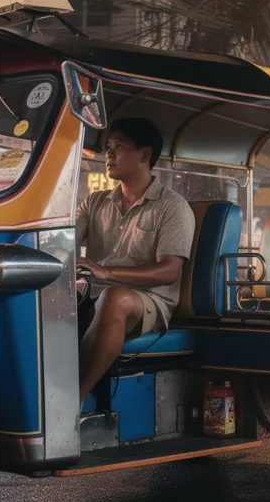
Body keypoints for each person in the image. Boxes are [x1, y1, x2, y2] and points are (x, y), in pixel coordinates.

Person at [75, 118, 195, 398]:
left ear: (145, 154)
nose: (109, 154)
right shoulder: (94, 202)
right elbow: (60, 240)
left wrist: (106, 272)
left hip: (149, 301)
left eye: (119, 146)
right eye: (107, 147)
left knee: (113, 299)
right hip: (94, 293)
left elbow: (168, 272)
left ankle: (73, 397)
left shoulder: (172, 206)